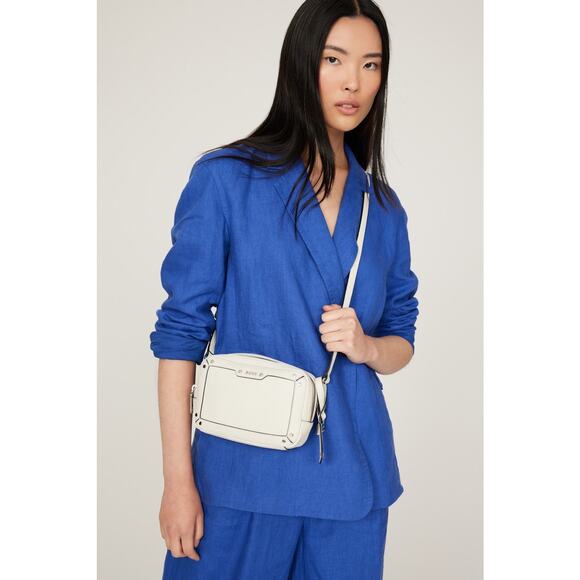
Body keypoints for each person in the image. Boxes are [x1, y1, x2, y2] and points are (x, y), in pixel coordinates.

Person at [149, 1, 419, 578]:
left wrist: (367, 346)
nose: (353, 82)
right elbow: (179, 335)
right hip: (239, 476)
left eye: (371, 64)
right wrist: (177, 481)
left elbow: (402, 337)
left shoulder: (383, 208)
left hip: (352, 478)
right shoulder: (227, 178)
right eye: (334, 59)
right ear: (302, 63)